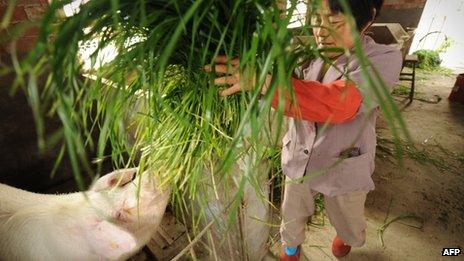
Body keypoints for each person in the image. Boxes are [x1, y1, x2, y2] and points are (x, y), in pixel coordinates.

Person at [206, 0, 402, 259]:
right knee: (292, 212)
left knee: (347, 215)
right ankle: (290, 246)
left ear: (367, 21)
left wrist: (265, 83)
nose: (321, 31)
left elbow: (341, 104)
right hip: (300, 155)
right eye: (316, 19)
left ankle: (345, 236)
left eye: (335, 22)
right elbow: (273, 73)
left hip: (345, 160)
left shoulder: (383, 59)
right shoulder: (305, 52)